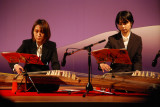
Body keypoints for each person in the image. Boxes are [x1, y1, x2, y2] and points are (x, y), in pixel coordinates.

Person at [9, 19, 60, 92]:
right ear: (33, 32)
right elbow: (12, 58)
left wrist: (57, 72)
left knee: (55, 85)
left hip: (44, 77)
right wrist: (15, 65)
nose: (39, 34)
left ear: (46, 34)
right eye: (36, 31)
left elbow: (55, 63)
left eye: (42, 32)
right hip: (29, 78)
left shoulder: (51, 45)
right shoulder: (27, 44)